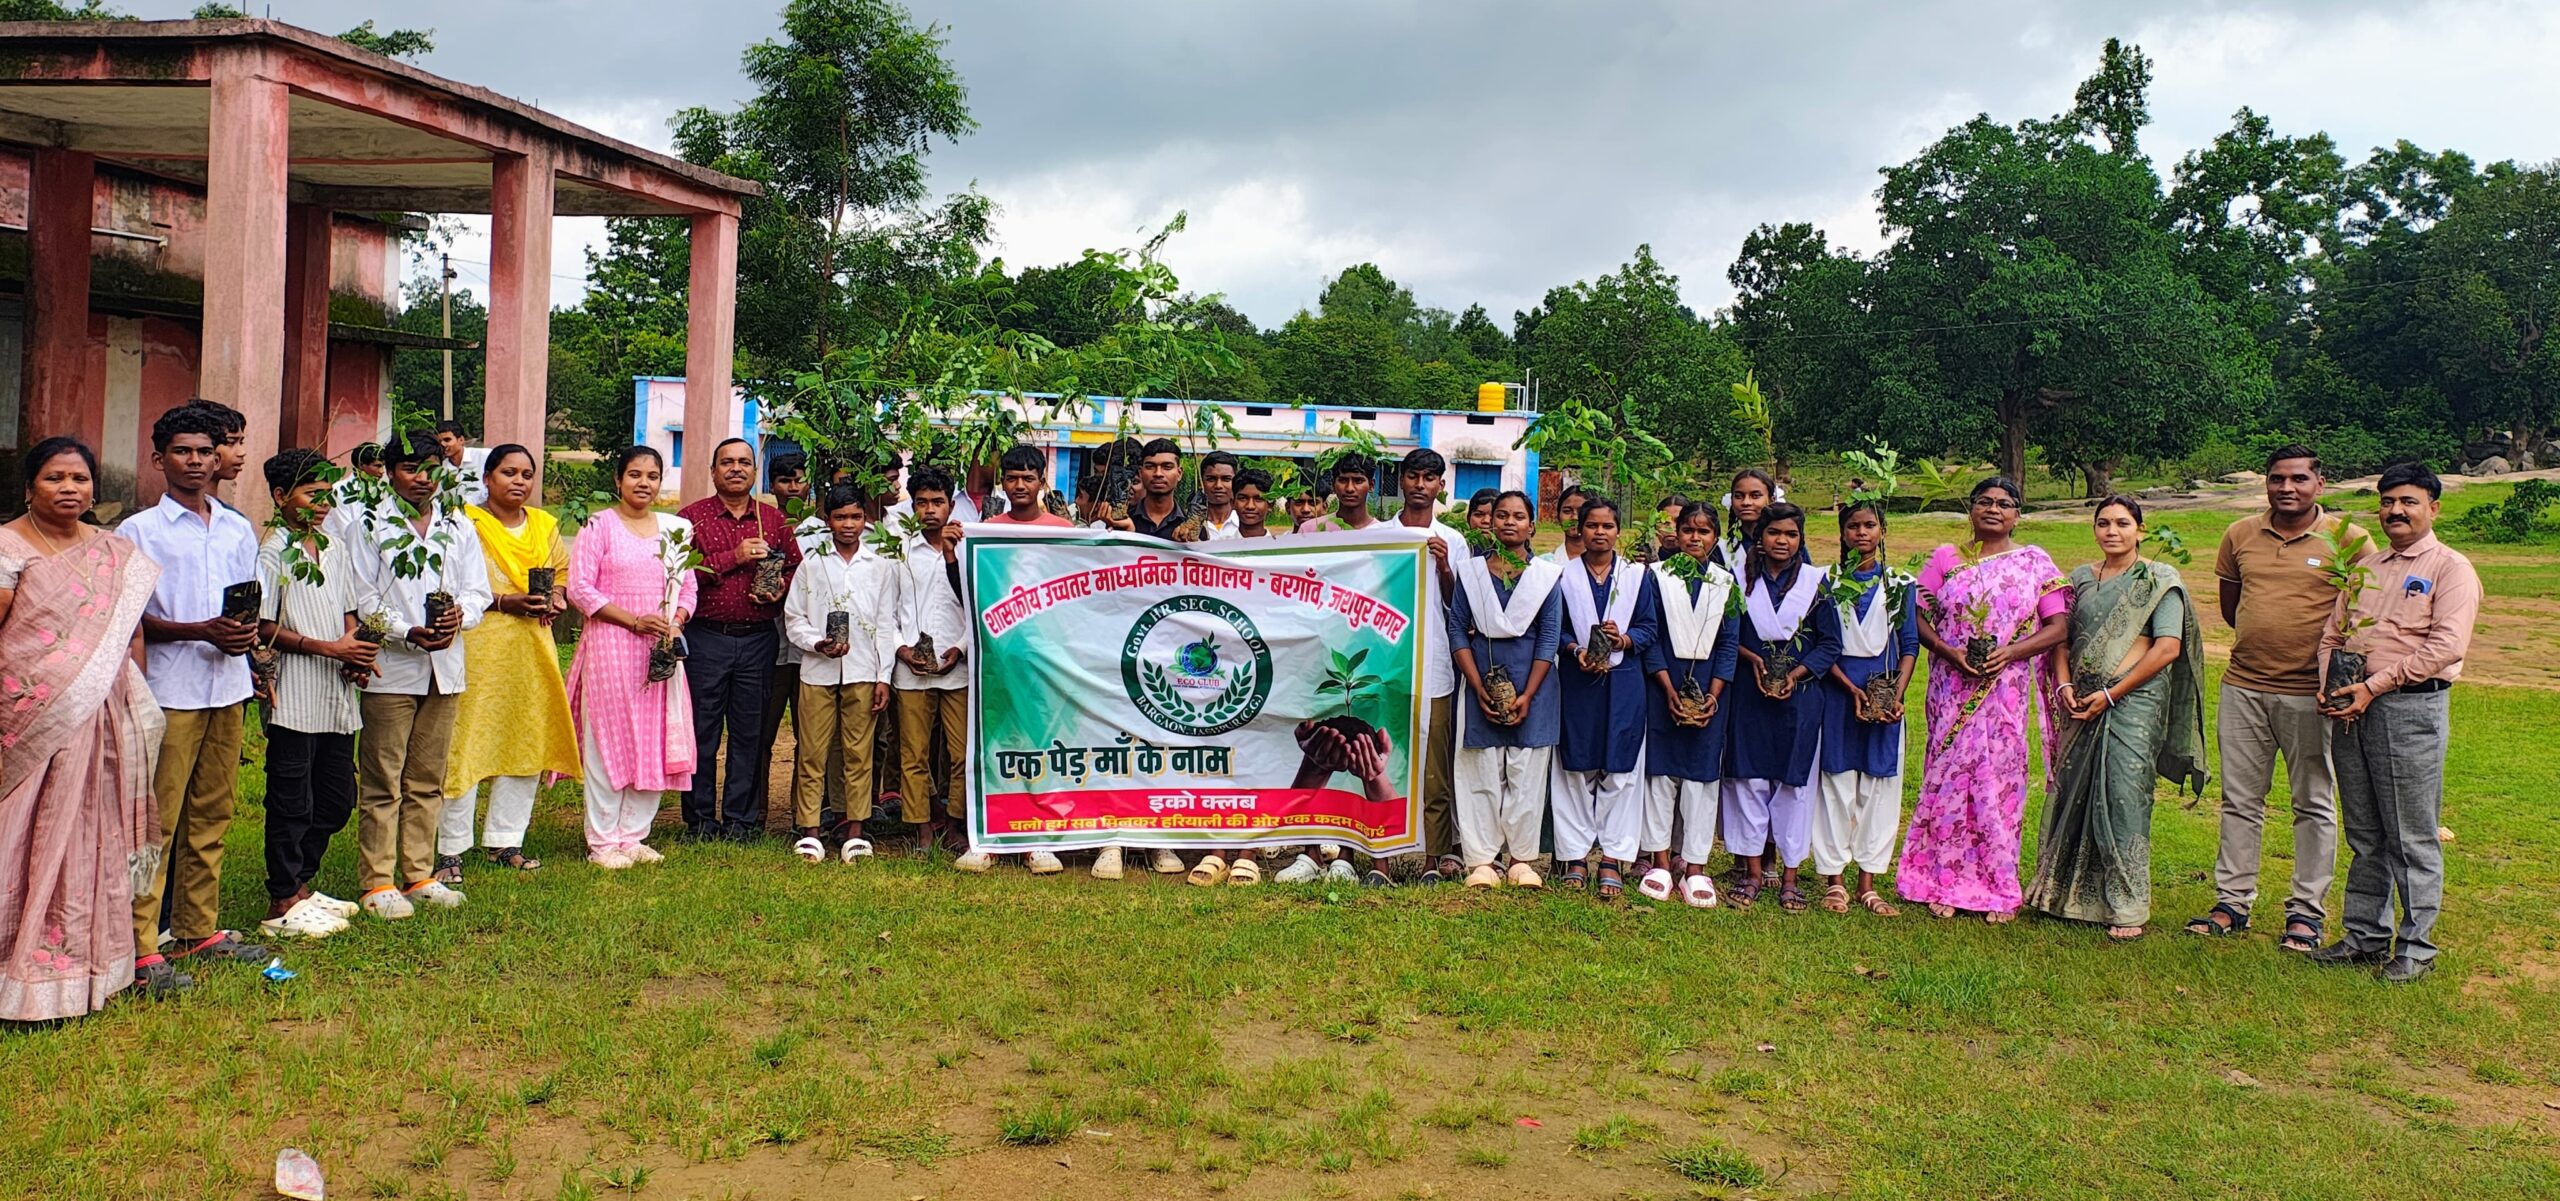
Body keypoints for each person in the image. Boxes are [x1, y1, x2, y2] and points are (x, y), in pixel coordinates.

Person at [0, 439, 173, 1018]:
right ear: (30, 487)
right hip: (26, 722)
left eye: (79, 478)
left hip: (99, 719)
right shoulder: (7, 546)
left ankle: (84, 969)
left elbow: (131, 637)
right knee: (19, 833)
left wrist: (127, 700)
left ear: (94, 488)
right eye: (55, 478)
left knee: (90, 834)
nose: (69, 488)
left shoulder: (114, 552)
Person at [2310, 462, 2479, 984]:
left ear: (2433, 508)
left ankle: (2416, 947)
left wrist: (2374, 686)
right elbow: (2332, 635)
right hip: (2351, 709)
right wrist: (2331, 684)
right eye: (2387, 502)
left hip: (2408, 710)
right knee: (2365, 832)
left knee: (2411, 835)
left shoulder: (2451, 569)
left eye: (2408, 502)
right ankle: (2365, 936)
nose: (2395, 511)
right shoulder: (2367, 567)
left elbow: (2446, 646)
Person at [2187, 445, 2360, 951]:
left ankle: (2306, 912)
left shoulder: (2348, 539)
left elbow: (2362, 612)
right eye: (2277, 478)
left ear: (2320, 484)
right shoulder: (2240, 534)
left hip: (2311, 694)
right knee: (2240, 800)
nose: (2287, 487)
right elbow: (2232, 608)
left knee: (2314, 802)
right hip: (2244, 687)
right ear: (2266, 482)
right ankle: (2232, 903)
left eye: (2299, 478)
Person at [122, 405, 270, 972]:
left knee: (212, 814)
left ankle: (196, 929)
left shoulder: (235, 528)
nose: (195, 461)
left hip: (226, 688)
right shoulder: (139, 531)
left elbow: (246, 602)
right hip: (170, 691)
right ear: (158, 459)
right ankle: (140, 943)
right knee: (156, 820)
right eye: (182, 451)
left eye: (205, 452)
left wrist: (244, 640)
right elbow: (129, 618)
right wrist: (197, 630)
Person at [2026, 495, 2206, 941]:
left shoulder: (2159, 579)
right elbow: (2060, 639)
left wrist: (2111, 694)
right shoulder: (2079, 579)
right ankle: (2061, 895)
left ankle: (2127, 906)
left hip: (2133, 703)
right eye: (2103, 523)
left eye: (2123, 523)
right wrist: (2064, 686)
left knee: (2123, 796)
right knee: (2072, 793)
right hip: (2079, 702)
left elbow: (2167, 648)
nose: (2112, 531)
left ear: (2140, 530)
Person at [1897, 476, 2070, 923]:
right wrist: (1948, 650)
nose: (1994, 509)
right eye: (1984, 501)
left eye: (2004, 503)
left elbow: (2058, 627)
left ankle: (1997, 885)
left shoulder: (2035, 563)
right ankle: (1942, 880)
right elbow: (1916, 614)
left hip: (2004, 691)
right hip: (1951, 686)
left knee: (1999, 782)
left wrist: (2011, 652)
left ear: (2017, 515)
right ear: (1971, 509)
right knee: (1950, 780)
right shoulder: (1946, 557)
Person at [346, 431, 492, 919]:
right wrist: (407, 631)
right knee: (383, 778)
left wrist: (460, 615)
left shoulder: (456, 522)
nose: (422, 478)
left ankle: (420, 874)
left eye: (431, 468)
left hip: (445, 667)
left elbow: (478, 591)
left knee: (428, 778)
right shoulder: (370, 524)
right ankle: (377, 881)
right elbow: (364, 598)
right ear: (389, 473)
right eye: (410, 468)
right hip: (392, 668)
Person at [437, 445, 579, 882]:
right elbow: (450, 583)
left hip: (531, 648)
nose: (518, 481)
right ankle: (450, 850)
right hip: (477, 646)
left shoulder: (544, 525)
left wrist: (556, 598)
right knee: (466, 743)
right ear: (487, 478)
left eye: (526, 474)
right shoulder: (464, 522)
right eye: (508, 473)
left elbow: (560, 574)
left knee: (525, 738)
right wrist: (504, 601)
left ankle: (505, 839)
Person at [253, 450, 375, 941]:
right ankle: (282, 898)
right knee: (291, 799)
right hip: (293, 694)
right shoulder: (273, 553)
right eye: (311, 494)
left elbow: (347, 610)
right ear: (282, 496)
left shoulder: (333, 546)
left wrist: (353, 653)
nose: (322, 505)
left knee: (337, 798)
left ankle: (302, 883)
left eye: (327, 495)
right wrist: (326, 648)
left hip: (334, 694)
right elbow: (263, 626)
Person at [564, 446, 698, 868]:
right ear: (618, 480)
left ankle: (633, 836)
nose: (644, 483)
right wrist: (632, 621)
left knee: (653, 736)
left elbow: (689, 588)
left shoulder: (675, 531)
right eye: (635, 474)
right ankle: (603, 841)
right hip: (611, 644)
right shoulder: (599, 526)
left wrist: (675, 621)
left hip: (659, 648)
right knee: (608, 738)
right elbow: (579, 588)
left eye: (652, 476)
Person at [676, 437, 802, 841]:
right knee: (702, 732)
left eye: (744, 462)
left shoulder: (774, 521)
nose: (736, 469)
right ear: (713, 472)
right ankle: (699, 821)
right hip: (706, 637)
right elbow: (677, 577)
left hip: (757, 639)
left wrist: (780, 589)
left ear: (754, 471)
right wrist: (735, 557)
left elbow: (796, 569)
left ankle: (740, 821)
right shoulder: (691, 520)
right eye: (727, 462)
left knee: (750, 732)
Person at [1722, 503, 1841, 913]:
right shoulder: (1739, 580)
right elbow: (1727, 635)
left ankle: (1790, 876)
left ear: (1800, 539)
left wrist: (1797, 673)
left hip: (1800, 697)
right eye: (1774, 533)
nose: (1782, 541)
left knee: (1795, 785)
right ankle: (1753, 872)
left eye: (1791, 534)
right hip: (1749, 693)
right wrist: (1754, 660)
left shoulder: (1815, 583)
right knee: (1748, 780)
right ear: (1760, 537)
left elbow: (1830, 643)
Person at [1448, 490, 1563, 888]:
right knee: (1480, 770)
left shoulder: (1545, 577)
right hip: (1480, 680)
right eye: (1501, 515)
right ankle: (1482, 860)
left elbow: (1549, 637)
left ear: (1532, 526)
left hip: (1534, 683)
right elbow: (1457, 630)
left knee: (1526, 773)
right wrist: (1476, 685)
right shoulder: (1472, 574)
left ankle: (1521, 859)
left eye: (1518, 516)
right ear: (1491, 522)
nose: (1509, 522)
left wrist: (1528, 694)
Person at [783, 484, 902, 863]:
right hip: (817, 671)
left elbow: (886, 624)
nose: (848, 524)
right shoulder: (813, 564)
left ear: (866, 519)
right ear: (827, 520)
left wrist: (883, 676)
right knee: (812, 752)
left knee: (858, 753)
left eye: (855, 517)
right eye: (840, 517)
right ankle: (810, 830)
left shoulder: (879, 566)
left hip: (864, 670)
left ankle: (855, 831)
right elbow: (793, 617)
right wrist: (816, 643)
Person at [1550, 497, 1662, 899]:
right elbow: (1555, 628)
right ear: (1579, 529)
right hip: (1577, 680)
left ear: (1619, 531)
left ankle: (1613, 857)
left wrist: (1625, 640)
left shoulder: (1636, 576)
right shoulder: (1562, 575)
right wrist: (1574, 649)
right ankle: (1576, 855)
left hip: (1623, 681)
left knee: (1621, 769)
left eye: (1607, 526)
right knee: (1575, 767)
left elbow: (1650, 627)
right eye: (1592, 525)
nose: (1599, 532)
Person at [897, 469, 1009, 867]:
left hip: (958, 667)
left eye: (938, 502)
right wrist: (901, 649)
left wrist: (960, 649)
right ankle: (922, 827)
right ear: (912, 506)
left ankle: (956, 823)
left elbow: (978, 604)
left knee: (962, 753)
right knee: (914, 754)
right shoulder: (900, 552)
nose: (930, 510)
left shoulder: (967, 548)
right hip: (910, 669)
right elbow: (886, 609)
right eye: (922, 503)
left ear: (951, 505)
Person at [1813, 498, 1918, 918]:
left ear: (1882, 531)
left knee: (1880, 787)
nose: (1861, 532)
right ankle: (1834, 880)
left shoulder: (1899, 584)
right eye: (1853, 526)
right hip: (1839, 692)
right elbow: (1822, 645)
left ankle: (1868, 883)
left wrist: (1895, 694)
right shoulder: (1829, 582)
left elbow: (1909, 645)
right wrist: (1849, 688)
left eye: (1869, 525)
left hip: (1883, 696)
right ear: (1842, 533)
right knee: (1835, 785)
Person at [1640, 501, 1738, 907]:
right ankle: (1660, 862)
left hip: (1711, 689)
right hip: (1663, 684)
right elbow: (1651, 637)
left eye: (1704, 531)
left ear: (1715, 537)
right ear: (1676, 534)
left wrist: (1713, 695)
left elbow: (1728, 643)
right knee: (1660, 775)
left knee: (1702, 777)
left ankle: (1696, 866)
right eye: (1688, 530)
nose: (1695, 538)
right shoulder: (1657, 576)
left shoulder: (1725, 582)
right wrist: (1668, 690)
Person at [1389, 449, 1466, 884]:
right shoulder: (1380, 535)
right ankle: (1380, 852)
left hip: (1434, 664)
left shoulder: (1452, 540)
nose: (1420, 485)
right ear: (1401, 480)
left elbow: (1459, 608)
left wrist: (1443, 567)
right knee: (1384, 759)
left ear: (1440, 485)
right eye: (1413, 476)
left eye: (1429, 478)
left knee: (1434, 764)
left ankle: (1434, 856)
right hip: (1387, 663)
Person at [755, 451, 815, 817]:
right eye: (784, 480)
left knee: (810, 738)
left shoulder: (823, 530)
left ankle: (802, 814)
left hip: (812, 650)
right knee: (762, 732)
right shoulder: (762, 525)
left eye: (798, 480)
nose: (792, 487)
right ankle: (756, 812)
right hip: (772, 645)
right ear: (772, 485)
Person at [1109, 438, 1189, 541]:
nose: (1158, 474)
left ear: (1179, 473)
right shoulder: (1122, 520)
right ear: (1141, 472)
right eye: (1150, 467)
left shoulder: (1189, 526)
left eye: (1167, 467)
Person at [990, 445, 1072, 528]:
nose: (1020, 486)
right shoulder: (990, 529)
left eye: (1028, 479)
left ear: (1042, 483)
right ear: (1003, 483)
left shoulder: (1062, 529)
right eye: (1012, 479)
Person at [1720, 469, 1777, 572]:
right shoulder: (1722, 549)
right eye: (1739, 496)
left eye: (1755, 496)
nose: (1746, 502)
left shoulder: (1785, 544)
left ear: (1771, 500)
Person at [1307, 454, 1379, 532]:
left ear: (1371, 485)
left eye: (1358, 481)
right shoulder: (1311, 529)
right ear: (1333, 485)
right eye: (1343, 480)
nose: (1349, 488)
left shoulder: (1381, 533)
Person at [433, 419, 489, 507]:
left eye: (447, 440)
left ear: (461, 440)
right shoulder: (441, 468)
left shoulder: (484, 456)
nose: (443, 444)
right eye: (439, 442)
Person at [1193, 450, 1242, 540]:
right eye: (1211, 479)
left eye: (1226, 479)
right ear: (1201, 483)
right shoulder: (1189, 526)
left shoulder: (1246, 523)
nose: (1218, 485)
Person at [1541, 485, 1589, 567]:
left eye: (1581, 511)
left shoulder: (1609, 565)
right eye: (1567, 511)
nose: (1574, 517)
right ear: (1558, 517)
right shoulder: (1543, 564)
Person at [1232, 469, 1283, 540]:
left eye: (1259, 499)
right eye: (1243, 498)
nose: (1250, 506)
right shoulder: (1220, 543)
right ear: (1233, 503)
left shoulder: (1279, 545)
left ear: (1270, 505)